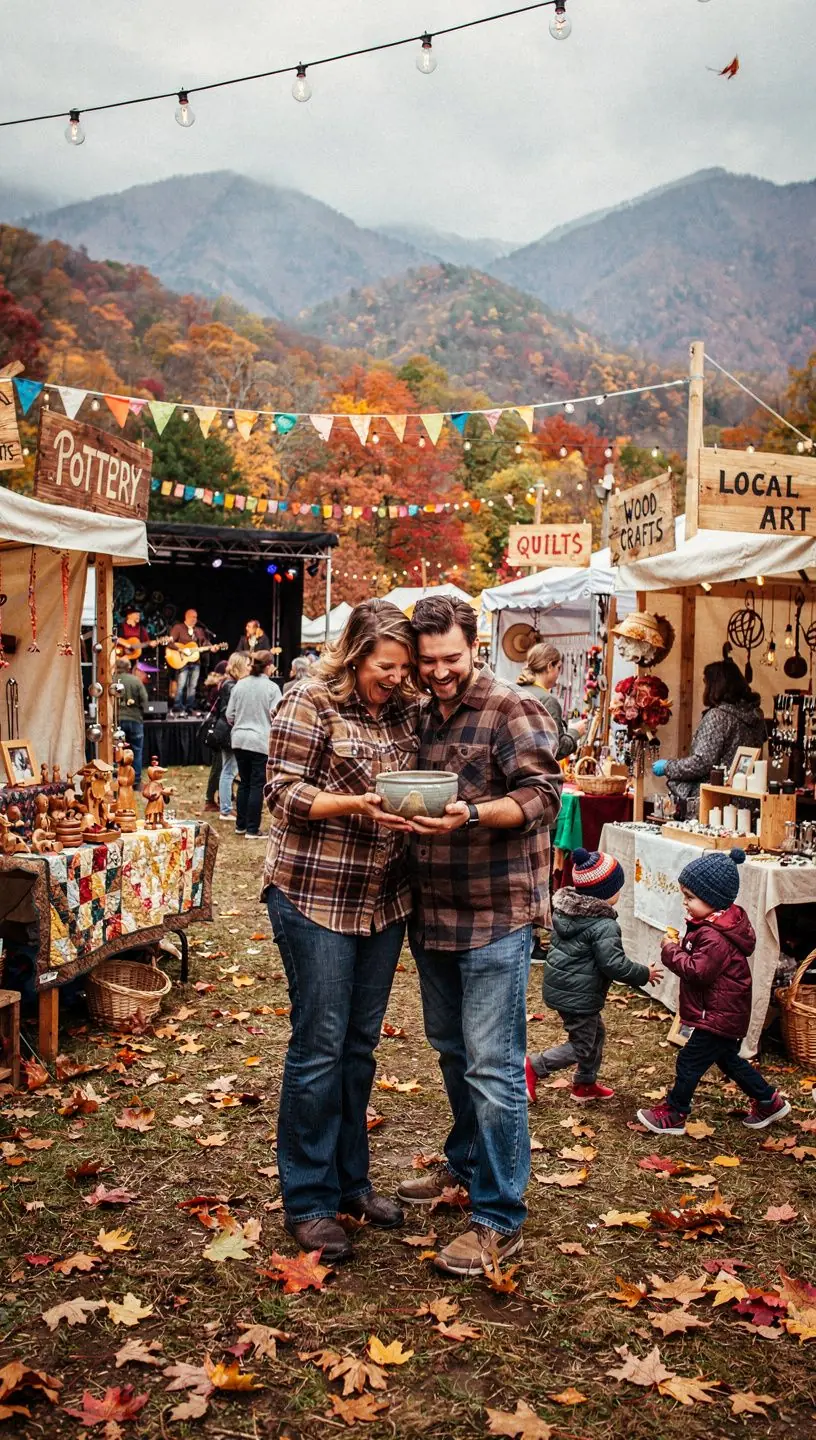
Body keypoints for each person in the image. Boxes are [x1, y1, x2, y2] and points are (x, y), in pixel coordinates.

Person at [395, 596, 563, 1278]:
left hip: (495, 915)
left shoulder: (510, 706)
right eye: (427, 660)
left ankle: (498, 1217)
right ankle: (463, 1167)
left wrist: (470, 814)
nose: (438, 673)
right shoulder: (417, 710)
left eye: (451, 659)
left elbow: (543, 795)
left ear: (477, 647)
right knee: (452, 1052)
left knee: (494, 1067)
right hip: (431, 912)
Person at [262, 599, 420, 1262]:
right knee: (320, 1047)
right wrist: (358, 804)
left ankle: (351, 1182)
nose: (397, 677)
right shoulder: (308, 702)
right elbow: (281, 793)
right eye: (387, 666)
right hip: (315, 896)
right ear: (355, 655)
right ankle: (308, 1199)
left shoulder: (406, 708)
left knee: (358, 1049)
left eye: (404, 667)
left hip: (382, 903)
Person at [637, 848, 791, 1135]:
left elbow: (698, 970)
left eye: (690, 897)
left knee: (689, 1061)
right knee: (728, 1060)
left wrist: (671, 951)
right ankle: (768, 1100)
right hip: (725, 1012)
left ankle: (675, 1112)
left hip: (718, 1014)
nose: (685, 903)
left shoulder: (714, 935)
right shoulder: (714, 924)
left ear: (714, 899)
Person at [525, 848, 660, 1105]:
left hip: (565, 988)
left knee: (596, 1034)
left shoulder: (568, 912)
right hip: (578, 995)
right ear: (607, 892)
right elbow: (614, 965)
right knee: (582, 1046)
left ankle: (585, 1084)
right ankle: (533, 1066)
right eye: (618, 886)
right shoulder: (604, 925)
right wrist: (644, 974)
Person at [652, 649, 767, 802]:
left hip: (714, 801)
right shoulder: (756, 716)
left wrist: (667, 766)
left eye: (706, 683)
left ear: (716, 686)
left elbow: (702, 762)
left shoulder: (718, 716)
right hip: (747, 799)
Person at [226, 652, 282, 837]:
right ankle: (252, 828)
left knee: (244, 782)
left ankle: (240, 825)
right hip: (259, 740)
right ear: (269, 666)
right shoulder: (272, 688)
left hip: (239, 739)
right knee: (257, 784)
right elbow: (278, 716)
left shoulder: (239, 685)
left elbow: (229, 715)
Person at [516, 641, 587, 758]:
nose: (558, 673)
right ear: (550, 666)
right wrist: (575, 733)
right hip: (534, 772)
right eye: (558, 667)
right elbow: (556, 750)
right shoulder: (547, 701)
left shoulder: (515, 691)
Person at [213, 653, 250, 819]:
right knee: (229, 771)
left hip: (226, 730)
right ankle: (226, 809)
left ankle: (226, 807)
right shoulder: (232, 686)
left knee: (227, 769)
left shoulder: (228, 683)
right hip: (229, 732)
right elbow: (230, 712)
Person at [115, 658, 149, 787]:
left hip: (117, 719)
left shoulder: (112, 680)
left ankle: (117, 778)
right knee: (136, 750)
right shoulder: (136, 681)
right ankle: (136, 780)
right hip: (135, 719)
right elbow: (144, 701)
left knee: (117, 750)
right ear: (129, 668)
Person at [168, 608, 208, 715]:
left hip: (196, 662)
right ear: (186, 617)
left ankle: (189, 706)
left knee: (193, 686)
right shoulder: (178, 628)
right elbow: (169, 643)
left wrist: (212, 647)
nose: (195, 619)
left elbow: (205, 643)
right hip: (182, 661)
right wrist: (181, 649)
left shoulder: (199, 630)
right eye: (193, 617)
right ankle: (178, 706)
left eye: (196, 617)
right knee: (181, 684)